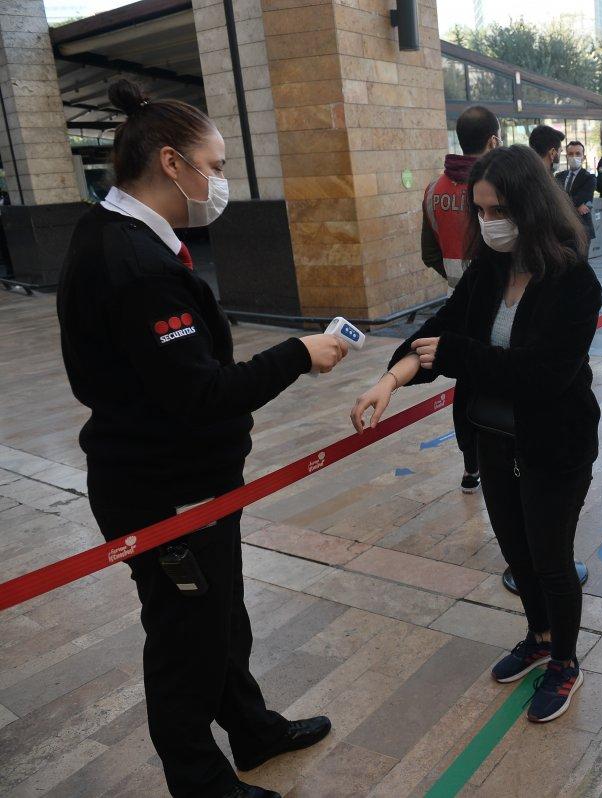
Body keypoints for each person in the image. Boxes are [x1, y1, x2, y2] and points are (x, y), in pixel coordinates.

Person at [56, 79, 342, 798]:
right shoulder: (136, 267)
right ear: (171, 163)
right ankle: (200, 781)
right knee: (187, 641)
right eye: (214, 167)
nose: (220, 182)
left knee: (219, 620)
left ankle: (252, 730)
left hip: (183, 480)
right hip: (167, 490)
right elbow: (200, 393)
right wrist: (298, 356)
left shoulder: (117, 235)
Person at [350, 145, 601, 723]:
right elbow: (439, 330)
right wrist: (391, 378)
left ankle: (565, 660)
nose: (489, 223)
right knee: (516, 552)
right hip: (493, 437)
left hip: (553, 444)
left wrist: (460, 355)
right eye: (481, 211)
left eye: (499, 210)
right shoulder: (488, 271)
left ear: (532, 207)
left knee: (550, 558)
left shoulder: (573, 281)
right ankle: (539, 637)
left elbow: (544, 375)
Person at [422, 105, 501, 494]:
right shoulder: (497, 185)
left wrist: (456, 279)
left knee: (465, 386)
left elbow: (428, 253)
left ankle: (471, 466)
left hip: (457, 299)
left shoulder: (434, 190)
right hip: (496, 300)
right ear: (493, 140)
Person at [556, 140, 596, 243]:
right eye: (570, 154)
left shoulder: (589, 178)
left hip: (582, 228)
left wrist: (561, 204)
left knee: (581, 259)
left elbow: (580, 198)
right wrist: (577, 206)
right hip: (562, 229)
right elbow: (554, 198)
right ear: (567, 157)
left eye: (578, 154)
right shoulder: (559, 176)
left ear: (584, 157)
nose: (574, 157)